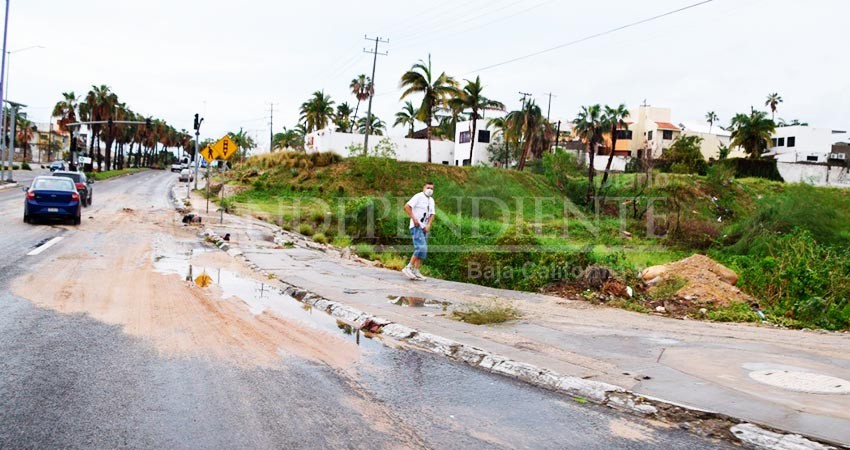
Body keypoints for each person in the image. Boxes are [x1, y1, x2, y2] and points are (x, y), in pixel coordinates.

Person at [402, 181, 435, 281]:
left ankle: (416, 271)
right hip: (416, 226)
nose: (430, 190)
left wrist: (429, 224)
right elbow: (407, 207)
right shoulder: (418, 196)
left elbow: (432, 214)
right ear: (424, 188)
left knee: (423, 250)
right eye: (428, 187)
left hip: (424, 227)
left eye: (432, 188)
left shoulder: (431, 200)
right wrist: (414, 219)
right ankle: (408, 267)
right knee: (420, 247)